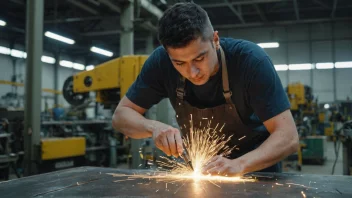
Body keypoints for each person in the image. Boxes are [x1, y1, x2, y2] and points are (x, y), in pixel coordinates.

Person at [112, 2, 299, 176]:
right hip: (202, 172)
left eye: (199, 59)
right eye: (179, 63)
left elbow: (288, 136)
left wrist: (239, 164)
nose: (192, 72)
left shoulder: (250, 62)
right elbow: (121, 116)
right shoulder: (160, 63)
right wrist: (153, 127)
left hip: (256, 169)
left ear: (215, 40)